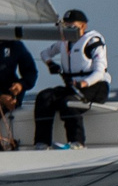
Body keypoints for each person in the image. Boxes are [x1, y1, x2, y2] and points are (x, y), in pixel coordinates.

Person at [35, 9, 111, 148]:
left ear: (83, 26)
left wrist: (82, 83)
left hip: (95, 86)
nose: (67, 30)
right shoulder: (64, 42)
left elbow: (100, 72)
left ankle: (77, 142)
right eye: (65, 27)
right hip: (72, 86)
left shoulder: (93, 41)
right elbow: (45, 53)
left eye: (71, 27)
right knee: (44, 97)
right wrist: (51, 64)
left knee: (69, 103)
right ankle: (42, 142)